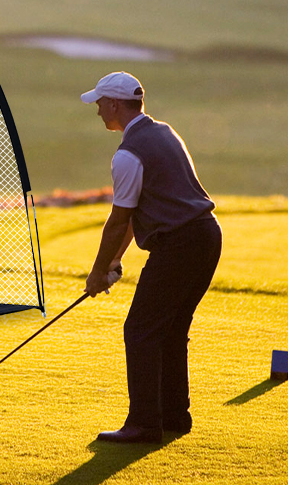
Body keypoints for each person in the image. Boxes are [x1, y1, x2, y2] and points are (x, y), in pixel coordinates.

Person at [81, 72, 222, 444]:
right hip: (207, 236)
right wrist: (114, 262)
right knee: (171, 329)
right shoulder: (164, 132)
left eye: (100, 103)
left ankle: (144, 424)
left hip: (181, 244)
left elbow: (118, 220)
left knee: (140, 330)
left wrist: (97, 273)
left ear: (114, 104)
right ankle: (174, 416)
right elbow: (136, 213)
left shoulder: (128, 155)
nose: (97, 110)